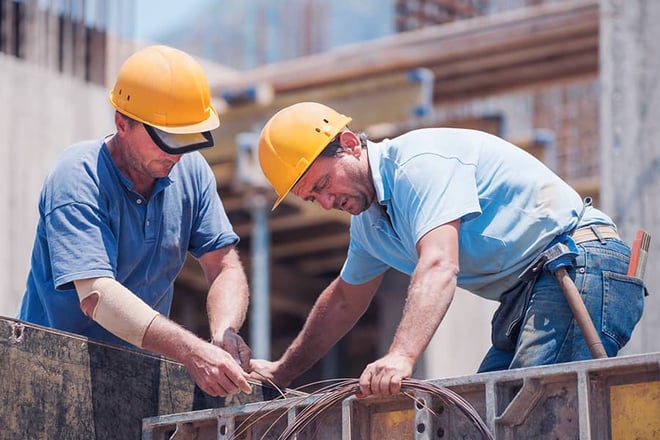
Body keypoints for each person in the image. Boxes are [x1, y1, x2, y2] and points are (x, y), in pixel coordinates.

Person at [250, 101, 646, 397]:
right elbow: (342, 303)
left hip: (581, 265)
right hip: (534, 290)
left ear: (351, 144)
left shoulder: (418, 165)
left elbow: (439, 264)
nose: (325, 202)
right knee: (483, 413)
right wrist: (283, 372)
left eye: (322, 184)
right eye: (311, 198)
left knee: (532, 409)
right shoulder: (370, 226)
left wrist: (401, 356)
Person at [17, 45, 252, 397]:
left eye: (186, 138)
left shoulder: (191, 172)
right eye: (166, 139)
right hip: (49, 376)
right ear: (122, 123)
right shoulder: (79, 176)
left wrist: (224, 333)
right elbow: (97, 296)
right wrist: (191, 351)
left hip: (136, 379)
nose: (176, 153)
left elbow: (224, 267)